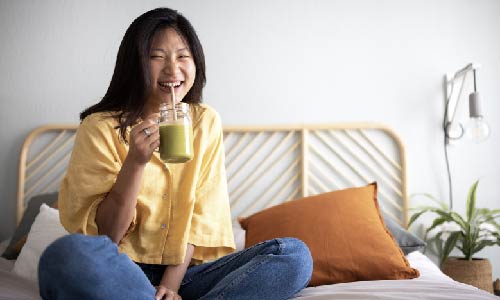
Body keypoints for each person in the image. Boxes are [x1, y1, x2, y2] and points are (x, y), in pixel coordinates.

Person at [38, 7, 313, 300]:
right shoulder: (100, 127)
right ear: (135, 64)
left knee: (294, 256)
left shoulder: (205, 121)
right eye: (157, 57)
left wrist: (170, 286)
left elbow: (198, 219)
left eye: (183, 56)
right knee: (64, 256)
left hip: (186, 275)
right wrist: (135, 163)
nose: (172, 69)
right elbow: (106, 237)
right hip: (120, 270)